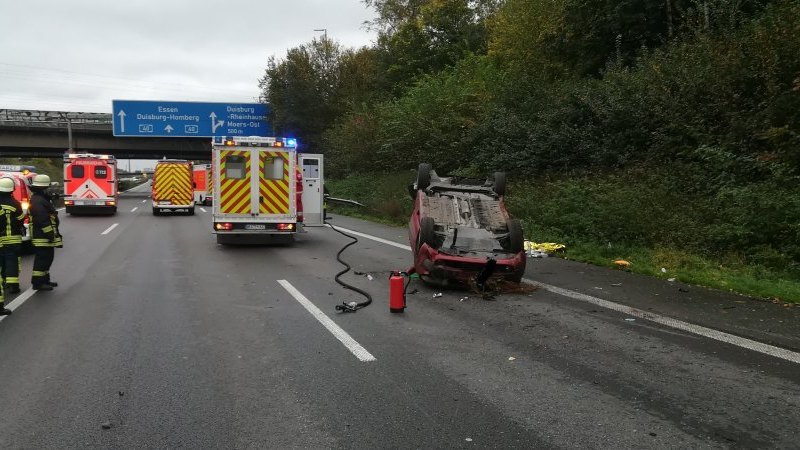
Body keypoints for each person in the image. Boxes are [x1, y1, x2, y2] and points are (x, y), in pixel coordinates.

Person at [29, 174, 62, 291]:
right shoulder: (38, 201)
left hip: (44, 236)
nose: (48, 189)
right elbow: (42, 220)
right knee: (42, 260)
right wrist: (50, 234)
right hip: (42, 236)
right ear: (43, 188)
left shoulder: (40, 198)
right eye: (47, 188)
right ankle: (37, 283)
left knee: (47, 259)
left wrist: (51, 197)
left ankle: (45, 280)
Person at [0, 177, 25, 296]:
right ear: (12, 190)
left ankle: (3, 283)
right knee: (11, 261)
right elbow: (21, 220)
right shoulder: (15, 203)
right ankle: (13, 286)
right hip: (12, 238)